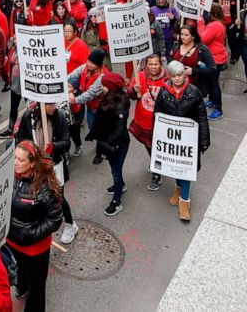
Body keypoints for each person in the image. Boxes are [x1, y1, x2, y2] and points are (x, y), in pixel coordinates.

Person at [7, 142, 64, 311]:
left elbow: (55, 219)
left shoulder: (44, 186)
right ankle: (22, 288)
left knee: (37, 288)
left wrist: (31, 234)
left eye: (20, 159)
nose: (15, 163)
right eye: (14, 158)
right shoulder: (10, 176)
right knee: (20, 270)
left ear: (32, 163)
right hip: (12, 241)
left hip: (34, 248)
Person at [11, 101, 77, 244]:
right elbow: (20, 136)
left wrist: (53, 147)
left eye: (53, 104)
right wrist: (30, 150)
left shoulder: (60, 118)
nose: (52, 106)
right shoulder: (29, 116)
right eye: (48, 104)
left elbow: (67, 142)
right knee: (36, 195)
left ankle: (70, 224)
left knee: (58, 197)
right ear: (40, 105)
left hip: (54, 164)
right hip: (34, 165)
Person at [153, 61, 210, 222]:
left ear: (184, 75)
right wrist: (156, 135)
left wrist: (204, 139)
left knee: (186, 169)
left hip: (189, 140)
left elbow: (202, 117)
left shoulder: (194, 92)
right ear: (169, 76)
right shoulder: (164, 91)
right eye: (174, 76)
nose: (177, 79)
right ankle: (178, 188)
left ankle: (184, 201)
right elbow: (157, 113)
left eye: (179, 75)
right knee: (175, 165)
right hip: (171, 140)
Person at [86, 72, 131, 216]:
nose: (102, 87)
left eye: (104, 85)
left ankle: (117, 201)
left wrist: (107, 142)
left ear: (111, 87)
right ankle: (121, 185)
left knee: (116, 172)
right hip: (111, 141)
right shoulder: (109, 97)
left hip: (119, 144)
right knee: (114, 169)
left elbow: (119, 129)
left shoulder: (120, 104)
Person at [126, 54, 168, 191]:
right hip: (142, 122)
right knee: (149, 146)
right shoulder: (140, 76)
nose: (153, 67)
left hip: (160, 124)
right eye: (150, 64)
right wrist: (133, 90)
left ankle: (157, 173)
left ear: (160, 65)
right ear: (146, 65)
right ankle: (156, 163)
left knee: (157, 148)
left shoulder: (167, 79)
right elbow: (130, 95)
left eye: (156, 64)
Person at [67, 48, 107, 163]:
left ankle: (100, 153)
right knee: (92, 127)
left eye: (92, 63)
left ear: (98, 65)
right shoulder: (85, 68)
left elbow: (90, 94)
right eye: (88, 61)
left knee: (99, 131)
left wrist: (74, 100)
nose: (89, 64)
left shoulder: (102, 76)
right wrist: (63, 84)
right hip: (91, 107)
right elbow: (71, 75)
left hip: (101, 107)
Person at [197, 3, 228, 121]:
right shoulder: (219, 23)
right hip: (217, 57)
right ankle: (212, 100)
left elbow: (204, 38)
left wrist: (200, 23)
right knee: (211, 82)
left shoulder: (214, 25)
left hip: (214, 58)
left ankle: (218, 109)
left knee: (214, 84)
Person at [169, 25, 216, 93]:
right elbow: (170, 60)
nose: (183, 37)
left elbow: (212, 68)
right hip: (177, 86)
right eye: (181, 34)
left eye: (186, 35)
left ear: (193, 36)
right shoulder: (176, 46)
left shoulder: (202, 50)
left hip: (195, 88)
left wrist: (193, 71)